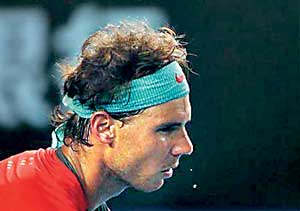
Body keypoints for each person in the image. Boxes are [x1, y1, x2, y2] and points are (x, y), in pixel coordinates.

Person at [0, 21, 194, 211]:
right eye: (167, 129)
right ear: (104, 128)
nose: (185, 147)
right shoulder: (36, 202)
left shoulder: (44, 182)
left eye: (183, 126)